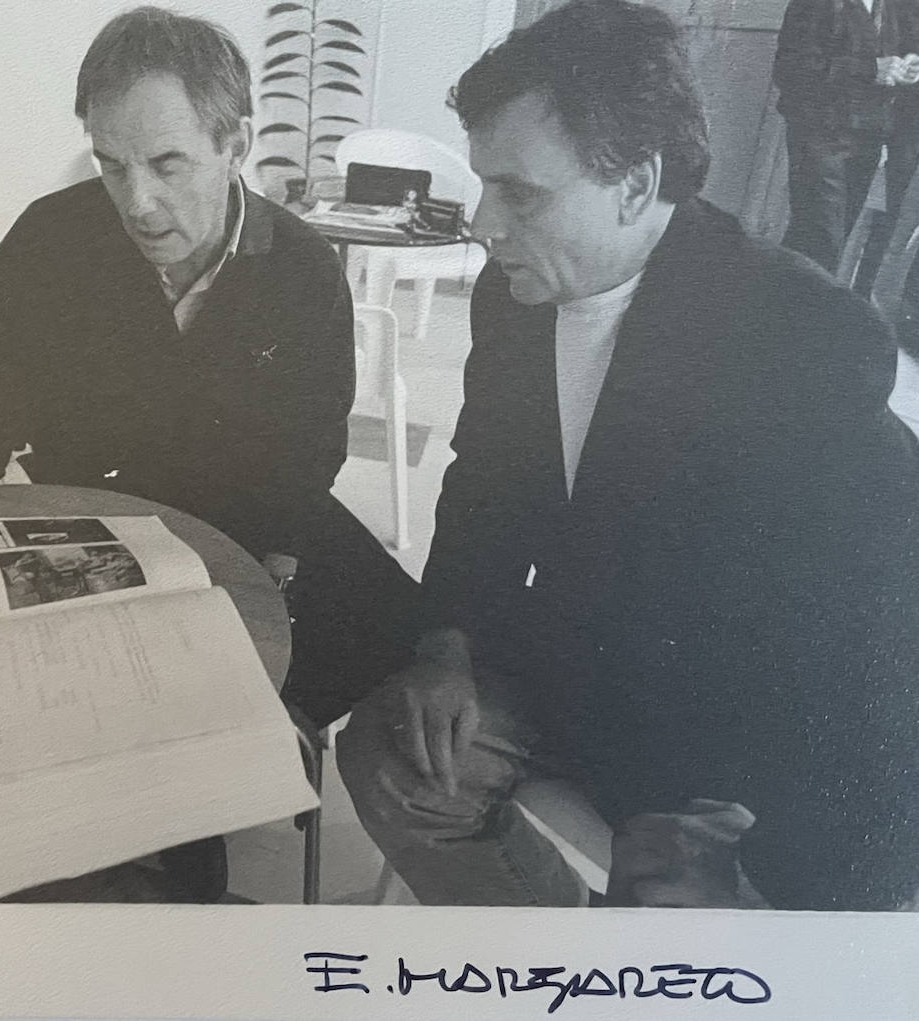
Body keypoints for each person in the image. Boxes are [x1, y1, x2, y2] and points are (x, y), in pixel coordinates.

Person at [337, 0, 919, 912]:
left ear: (636, 184)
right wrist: (448, 647)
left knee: (693, 914)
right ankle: (565, 955)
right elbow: (483, 484)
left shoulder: (802, 337)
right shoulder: (514, 296)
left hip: (736, 746)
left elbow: (865, 647)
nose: (484, 223)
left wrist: (758, 858)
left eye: (520, 192)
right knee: (387, 753)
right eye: (484, 184)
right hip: (581, 668)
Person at [0, 7, 418, 898]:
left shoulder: (303, 268)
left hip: (246, 535)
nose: (136, 202)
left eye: (166, 164)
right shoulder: (52, 236)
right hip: (95, 529)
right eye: (110, 164)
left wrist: (260, 580)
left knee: (385, 642)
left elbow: (311, 449)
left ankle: (180, 837)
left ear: (235, 145)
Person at [775, 0, 919, 279]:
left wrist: (908, 64)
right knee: (822, 237)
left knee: (824, 240)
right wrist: (871, 70)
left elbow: (898, 49)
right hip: (819, 135)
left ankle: (776, 298)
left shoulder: (893, 5)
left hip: (868, 136)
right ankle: (789, 302)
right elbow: (789, 68)